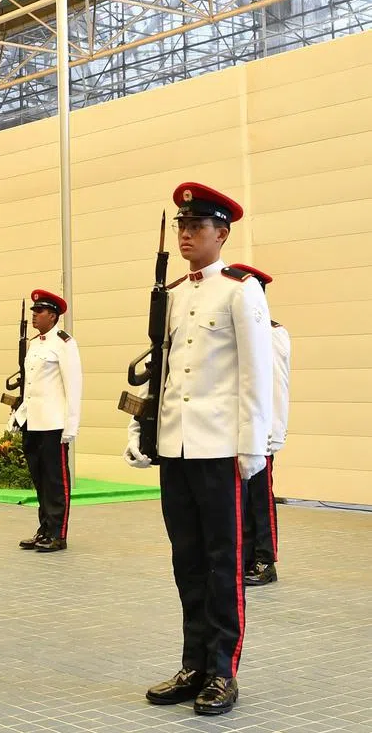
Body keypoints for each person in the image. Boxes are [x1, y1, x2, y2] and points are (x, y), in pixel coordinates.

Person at [125, 182, 272, 716]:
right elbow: (161, 369)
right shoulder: (175, 294)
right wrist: (142, 431)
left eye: (196, 227)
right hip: (176, 447)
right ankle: (194, 664)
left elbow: (257, 376)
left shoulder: (241, 291)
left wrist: (253, 445)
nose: (186, 234)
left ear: (221, 233)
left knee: (222, 562)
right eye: (182, 226)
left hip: (218, 449)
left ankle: (223, 671)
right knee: (186, 559)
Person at [227, 264, 291, 588]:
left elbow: (276, 385)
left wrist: (273, 433)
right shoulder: (237, 332)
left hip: (262, 433)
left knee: (260, 501)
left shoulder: (273, 332)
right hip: (236, 431)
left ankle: (265, 560)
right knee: (242, 500)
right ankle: (248, 557)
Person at [11, 289, 82, 553]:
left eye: (39, 312)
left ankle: (58, 534)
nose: (34, 316)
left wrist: (71, 426)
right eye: (33, 311)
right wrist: (19, 416)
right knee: (39, 478)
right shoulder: (35, 344)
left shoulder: (64, 343)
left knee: (55, 480)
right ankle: (44, 528)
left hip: (54, 423)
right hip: (33, 421)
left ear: (53, 316)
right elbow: (30, 386)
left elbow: (73, 386)